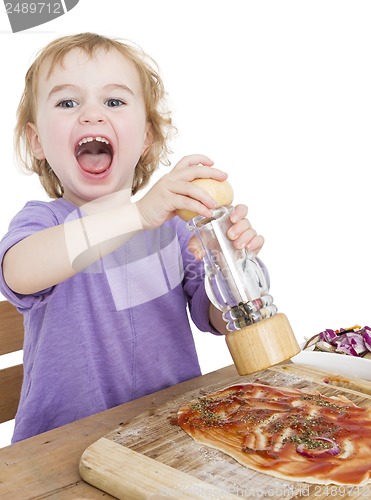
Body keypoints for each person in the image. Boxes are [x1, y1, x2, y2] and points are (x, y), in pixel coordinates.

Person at [0, 33, 264, 442]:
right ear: (37, 141)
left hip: (169, 436)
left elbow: (219, 319)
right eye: (68, 102)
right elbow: (18, 272)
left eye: (114, 101)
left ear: (146, 139)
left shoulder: (173, 228)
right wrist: (137, 214)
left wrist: (227, 256)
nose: (91, 115)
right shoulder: (45, 222)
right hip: (60, 447)